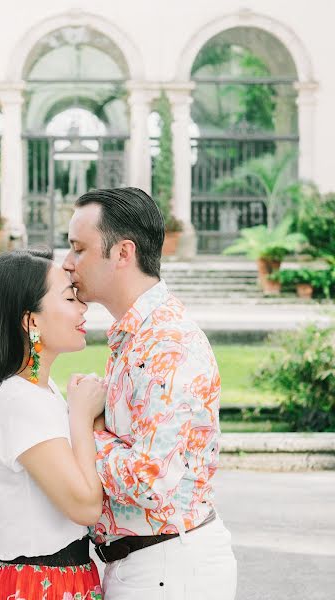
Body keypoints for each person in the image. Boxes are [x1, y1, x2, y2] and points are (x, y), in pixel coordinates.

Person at [63, 187, 237, 600]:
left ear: (123, 253)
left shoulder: (167, 343)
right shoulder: (137, 337)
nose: (67, 264)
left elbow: (149, 479)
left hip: (168, 568)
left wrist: (81, 427)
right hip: (147, 564)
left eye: (79, 249)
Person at [0, 248, 106, 600]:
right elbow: (84, 507)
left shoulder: (36, 390)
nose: (83, 307)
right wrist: (80, 419)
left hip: (55, 579)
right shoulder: (19, 400)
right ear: (32, 321)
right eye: (70, 298)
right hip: (41, 586)